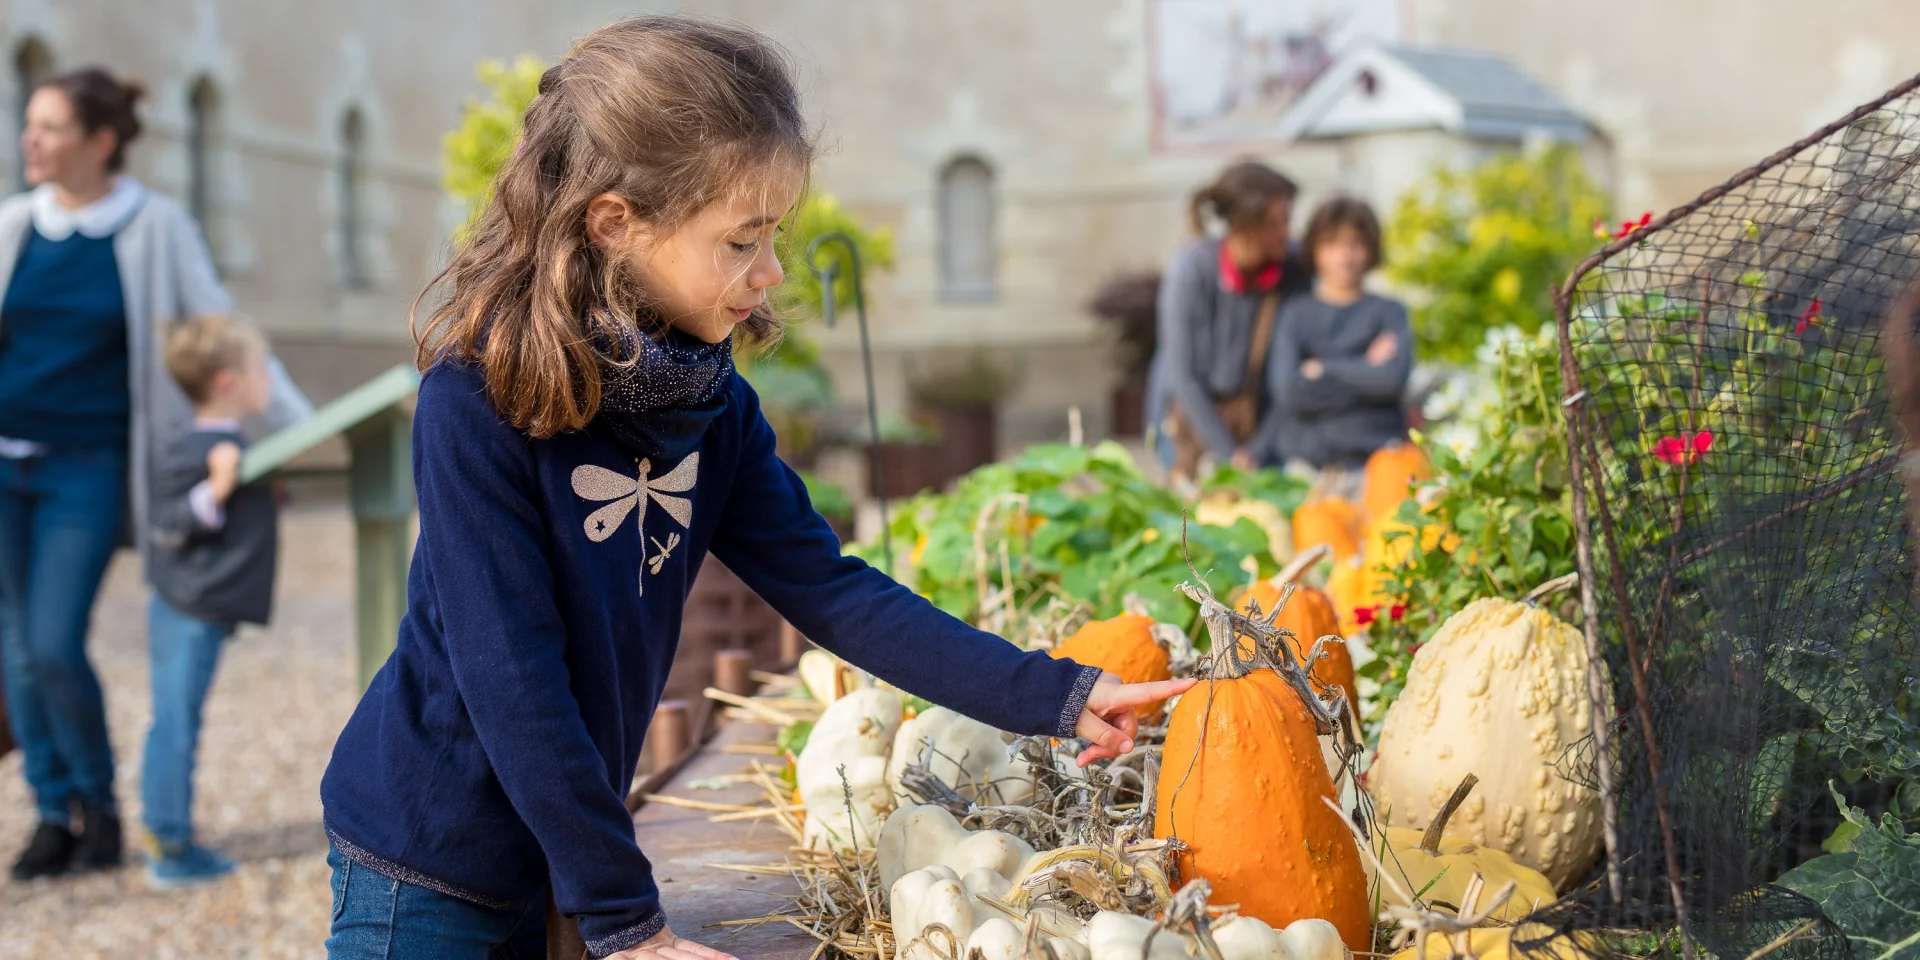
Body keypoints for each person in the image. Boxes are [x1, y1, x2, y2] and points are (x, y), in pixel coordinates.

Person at [318, 17, 1193, 960]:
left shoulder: (709, 402)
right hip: (424, 862)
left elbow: (833, 591)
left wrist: (1057, 696)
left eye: (772, 236)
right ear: (616, 224)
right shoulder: (476, 401)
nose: (769, 272)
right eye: (741, 241)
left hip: (553, 854)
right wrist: (629, 923)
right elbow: (511, 681)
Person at [0, 67, 310, 880]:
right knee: (16, 652)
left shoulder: (152, 226)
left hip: (89, 467)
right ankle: (49, 811)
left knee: (53, 640)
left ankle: (97, 806)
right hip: (5, 464)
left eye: (51, 127)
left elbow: (217, 325)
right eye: (29, 124)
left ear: (101, 142)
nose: (30, 140)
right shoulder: (11, 228)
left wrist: (301, 429)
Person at [139, 314, 279, 887]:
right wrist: (216, 489)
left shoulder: (229, 442)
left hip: (200, 608)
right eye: (262, 367)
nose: (269, 376)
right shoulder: (193, 447)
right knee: (174, 720)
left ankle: (169, 835)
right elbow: (166, 520)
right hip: (185, 608)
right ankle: (168, 846)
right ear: (228, 383)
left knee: (180, 717)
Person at [1147, 160, 1311, 483]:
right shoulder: (1192, 271)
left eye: (1287, 220)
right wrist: (1228, 454)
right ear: (1243, 225)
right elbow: (1184, 376)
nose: (1285, 232)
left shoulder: (1293, 271)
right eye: (1274, 223)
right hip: (1187, 421)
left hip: (1258, 426)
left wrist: (1255, 451)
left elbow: (1287, 375)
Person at [1255, 196, 1412, 485]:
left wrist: (1323, 369)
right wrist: (1364, 367)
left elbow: (1391, 380)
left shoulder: (1389, 312)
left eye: (1355, 244)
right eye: (1332, 245)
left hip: (1376, 466)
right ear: (1315, 250)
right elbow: (1289, 393)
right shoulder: (1295, 314)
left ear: (1371, 249)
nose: (1345, 257)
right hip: (1306, 469)